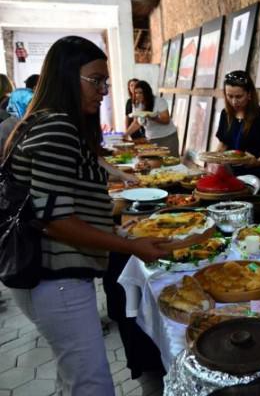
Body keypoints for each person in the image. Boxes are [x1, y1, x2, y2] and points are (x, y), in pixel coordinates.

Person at [3, 36, 168, 396]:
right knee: (92, 385)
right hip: (55, 279)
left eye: (105, 81)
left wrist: (122, 234)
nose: (104, 90)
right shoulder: (57, 127)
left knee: (73, 376)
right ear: (65, 77)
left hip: (48, 277)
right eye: (96, 80)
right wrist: (131, 245)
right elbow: (55, 220)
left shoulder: (48, 122)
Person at [215, 70, 260, 198]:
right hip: (235, 176)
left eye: (238, 97)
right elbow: (223, 143)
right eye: (229, 96)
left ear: (249, 94)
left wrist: (257, 162)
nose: (234, 102)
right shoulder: (225, 114)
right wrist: (214, 160)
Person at [124, 80, 178, 155]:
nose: (138, 95)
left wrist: (154, 118)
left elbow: (166, 120)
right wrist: (125, 134)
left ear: (147, 92)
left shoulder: (159, 101)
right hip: (151, 139)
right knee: (155, 162)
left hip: (167, 137)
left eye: (140, 92)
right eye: (136, 93)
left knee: (171, 162)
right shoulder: (136, 104)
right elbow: (136, 123)